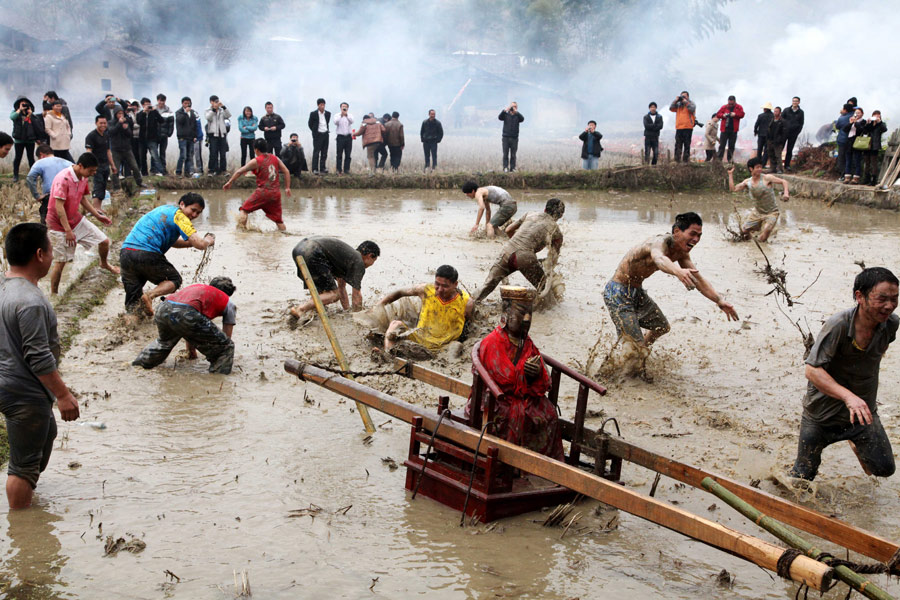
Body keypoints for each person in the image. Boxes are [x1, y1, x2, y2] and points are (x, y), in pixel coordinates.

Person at [789, 267, 899, 481]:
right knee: (801, 479)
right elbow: (811, 370)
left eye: (894, 299)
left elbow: (876, 354)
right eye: (882, 299)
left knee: (884, 468)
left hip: (861, 414)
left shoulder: (890, 324)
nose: (889, 306)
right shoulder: (838, 325)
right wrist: (849, 397)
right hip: (822, 416)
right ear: (860, 296)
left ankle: (855, 442)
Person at [0, 223, 81, 509]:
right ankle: (21, 528)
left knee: (47, 433)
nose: (51, 254)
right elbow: (38, 356)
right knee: (22, 466)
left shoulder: (4, 286)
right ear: (39, 254)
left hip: (10, 383)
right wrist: (62, 394)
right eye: (50, 248)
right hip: (23, 391)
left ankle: (28, 495)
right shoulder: (30, 301)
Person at [603, 212, 738, 375]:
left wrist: (719, 300)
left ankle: (638, 354)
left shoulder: (681, 252)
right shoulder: (659, 243)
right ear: (676, 232)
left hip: (636, 291)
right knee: (635, 350)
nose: (696, 240)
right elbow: (659, 259)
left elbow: (698, 278)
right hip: (618, 292)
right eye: (692, 234)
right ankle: (614, 375)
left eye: (699, 235)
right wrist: (677, 271)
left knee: (661, 326)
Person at [465, 286, 564, 460]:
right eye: (521, 313)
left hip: (523, 397)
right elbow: (503, 377)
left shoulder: (527, 343)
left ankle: (541, 465)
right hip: (498, 399)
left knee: (549, 413)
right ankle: (507, 463)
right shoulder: (491, 343)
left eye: (530, 314)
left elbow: (544, 380)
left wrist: (536, 372)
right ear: (506, 313)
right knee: (508, 415)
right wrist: (523, 374)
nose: (526, 319)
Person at [119, 193, 215, 315]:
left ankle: (129, 326)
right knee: (174, 279)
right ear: (182, 204)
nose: (195, 215)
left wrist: (190, 243)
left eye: (199, 213)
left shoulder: (164, 210)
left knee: (133, 306)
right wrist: (208, 240)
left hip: (126, 254)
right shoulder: (179, 216)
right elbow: (200, 244)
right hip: (146, 253)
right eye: (193, 210)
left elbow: (172, 242)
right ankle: (149, 295)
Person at [132, 276, 237, 375]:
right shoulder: (227, 302)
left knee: (164, 343)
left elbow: (189, 329)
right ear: (229, 293)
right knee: (226, 347)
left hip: (164, 308)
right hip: (185, 313)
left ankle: (137, 365)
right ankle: (217, 379)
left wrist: (191, 353)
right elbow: (226, 337)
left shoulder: (198, 288)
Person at [46, 153, 118, 294]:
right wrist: (67, 231)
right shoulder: (63, 179)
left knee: (104, 241)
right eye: (91, 170)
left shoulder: (83, 178)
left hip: (75, 219)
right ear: (80, 166)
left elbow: (82, 199)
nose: (93, 173)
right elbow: (58, 207)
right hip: (58, 224)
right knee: (61, 262)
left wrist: (97, 215)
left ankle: (103, 263)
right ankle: (54, 294)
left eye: (94, 170)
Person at [474, 198, 564, 303]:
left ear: (544, 209)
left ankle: (470, 304)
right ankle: (548, 314)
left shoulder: (530, 214)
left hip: (507, 251)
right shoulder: (556, 231)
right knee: (545, 290)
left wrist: (518, 245)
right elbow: (553, 258)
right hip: (525, 257)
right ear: (561, 215)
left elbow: (508, 230)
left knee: (486, 286)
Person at [377, 264, 474, 354]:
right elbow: (400, 292)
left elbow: (470, 326)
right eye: (437, 284)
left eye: (445, 286)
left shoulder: (466, 302)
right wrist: (378, 306)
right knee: (395, 325)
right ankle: (388, 355)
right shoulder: (425, 290)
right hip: (419, 340)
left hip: (444, 347)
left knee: (457, 346)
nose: (440, 289)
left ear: (455, 284)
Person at [289, 238, 380, 317]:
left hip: (300, 248)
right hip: (314, 251)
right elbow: (356, 296)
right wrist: (359, 318)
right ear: (370, 256)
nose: (372, 264)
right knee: (334, 294)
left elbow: (341, 287)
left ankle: (311, 311)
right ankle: (301, 309)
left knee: (323, 292)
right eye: (374, 261)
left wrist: (347, 312)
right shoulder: (358, 261)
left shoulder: (345, 258)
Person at [223, 138, 292, 232]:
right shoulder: (275, 158)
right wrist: (287, 188)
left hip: (263, 192)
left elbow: (240, 171)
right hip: (275, 193)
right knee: (279, 221)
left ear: (256, 150)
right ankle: (285, 235)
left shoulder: (256, 161)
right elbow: (286, 171)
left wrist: (229, 182)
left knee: (244, 210)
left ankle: (240, 233)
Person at [727, 158, 790, 242]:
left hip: (772, 212)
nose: (760, 169)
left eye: (761, 167)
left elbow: (784, 181)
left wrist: (786, 193)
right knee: (744, 232)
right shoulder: (748, 182)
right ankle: (752, 241)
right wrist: (730, 174)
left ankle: (760, 246)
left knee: (766, 230)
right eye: (757, 167)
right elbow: (733, 189)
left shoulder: (767, 178)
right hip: (757, 212)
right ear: (751, 169)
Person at [26, 144, 71, 225]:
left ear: (41, 155)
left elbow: (30, 178)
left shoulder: (40, 162)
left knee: (47, 226)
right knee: (66, 225)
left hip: (51, 197)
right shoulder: (68, 163)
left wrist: (37, 196)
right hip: (67, 197)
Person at [109, 108, 143, 188]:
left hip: (127, 148)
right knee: (115, 169)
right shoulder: (111, 122)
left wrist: (126, 128)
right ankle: (116, 186)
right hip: (116, 149)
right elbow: (111, 132)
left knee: (135, 167)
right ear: (115, 114)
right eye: (119, 114)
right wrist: (119, 124)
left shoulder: (127, 121)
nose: (120, 115)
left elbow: (129, 135)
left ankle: (139, 182)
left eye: (122, 113)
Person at [10, 97, 39, 182]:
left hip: (30, 140)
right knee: (18, 158)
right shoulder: (15, 112)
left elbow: (35, 123)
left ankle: (33, 175)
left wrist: (30, 115)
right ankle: (15, 175)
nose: (24, 105)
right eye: (22, 103)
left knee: (31, 158)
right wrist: (19, 109)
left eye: (25, 103)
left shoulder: (30, 113)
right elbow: (12, 117)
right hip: (19, 140)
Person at [137, 97, 164, 176]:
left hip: (152, 139)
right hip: (142, 139)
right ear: (142, 105)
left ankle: (159, 171)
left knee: (155, 156)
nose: (148, 106)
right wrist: (144, 112)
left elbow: (161, 120)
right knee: (142, 157)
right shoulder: (140, 114)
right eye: (146, 105)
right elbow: (138, 122)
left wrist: (155, 110)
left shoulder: (154, 113)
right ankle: (144, 173)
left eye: (149, 104)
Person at [205, 95, 230, 176]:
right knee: (213, 153)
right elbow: (208, 118)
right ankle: (212, 170)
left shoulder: (221, 110)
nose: (216, 103)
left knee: (223, 153)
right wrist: (213, 110)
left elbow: (228, 115)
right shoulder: (208, 110)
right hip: (213, 135)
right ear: (211, 102)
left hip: (222, 134)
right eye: (215, 101)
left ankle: (223, 170)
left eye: (217, 101)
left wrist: (223, 107)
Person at [715, 95, 745, 162]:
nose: (730, 104)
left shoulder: (739, 107)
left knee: (731, 146)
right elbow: (718, 114)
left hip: (733, 130)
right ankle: (719, 160)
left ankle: (730, 160)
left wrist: (735, 114)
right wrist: (723, 115)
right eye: (729, 103)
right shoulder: (724, 107)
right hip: (724, 129)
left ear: (734, 102)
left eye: (732, 103)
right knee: (722, 145)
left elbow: (742, 114)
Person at [669, 91, 696, 163]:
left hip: (688, 127)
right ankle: (677, 160)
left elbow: (692, 109)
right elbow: (671, 108)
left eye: (685, 96)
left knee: (687, 144)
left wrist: (685, 102)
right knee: (678, 144)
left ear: (688, 97)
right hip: (679, 127)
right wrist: (676, 100)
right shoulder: (678, 105)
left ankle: (685, 160)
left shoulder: (691, 103)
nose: (683, 97)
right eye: (682, 96)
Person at [842, 107, 868, 185]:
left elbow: (862, 130)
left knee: (857, 160)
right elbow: (845, 129)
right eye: (856, 113)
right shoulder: (851, 120)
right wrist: (850, 123)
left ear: (862, 114)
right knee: (848, 160)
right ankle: (847, 177)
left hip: (857, 142)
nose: (857, 114)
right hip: (849, 142)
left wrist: (856, 122)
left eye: (858, 113)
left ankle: (856, 178)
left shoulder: (863, 121)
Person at [175, 97, 198, 177]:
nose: (187, 105)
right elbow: (180, 121)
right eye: (185, 103)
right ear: (182, 104)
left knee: (189, 156)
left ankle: (187, 173)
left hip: (191, 137)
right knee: (183, 155)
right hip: (182, 137)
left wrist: (195, 135)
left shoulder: (192, 113)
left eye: (188, 103)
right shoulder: (179, 112)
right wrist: (185, 112)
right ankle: (178, 172)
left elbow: (194, 125)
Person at [863, 110, 888, 185]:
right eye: (875, 115)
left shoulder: (881, 124)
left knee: (874, 163)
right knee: (866, 162)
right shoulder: (869, 124)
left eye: (878, 115)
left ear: (880, 116)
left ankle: (873, 180)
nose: (876, 117)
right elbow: (864, 131)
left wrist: (879, 122)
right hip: (867, 144)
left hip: (875, 145)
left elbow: (884, 129)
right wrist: (867, 123)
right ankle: (866, 178)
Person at [499, 101, 524, 172]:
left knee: (513, 154)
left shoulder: (517, 116)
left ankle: (512, 168)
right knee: (505, 153)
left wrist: (516, 112)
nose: (513, 108)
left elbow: (522, 119)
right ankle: (505, 167)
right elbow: (500, 117)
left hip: (514, 138)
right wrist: (505, 110)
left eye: (515, 106)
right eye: (512, 106)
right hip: (506, 137)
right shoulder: (506, 115)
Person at [153, 94, 175, 175]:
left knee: (162, 153)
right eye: (159, 100)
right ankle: (154, 170)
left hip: (164, 135)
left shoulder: (169, 111)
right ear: (157, 100)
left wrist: (169, 133)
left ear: (165, 101)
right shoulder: (153, 109)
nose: (161, 102)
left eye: (162, 100)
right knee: (154, 153)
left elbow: (171, 123)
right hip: (154, 136)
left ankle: (163, 169)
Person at [307, 98, 330, 174]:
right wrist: (315, 132)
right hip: (318, 135)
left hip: (325, 134)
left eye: (323, 105)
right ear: (318, 105)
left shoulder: (328, 114)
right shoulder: (313, 114)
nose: (322, 106)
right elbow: (310, 124)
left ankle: (322, 168)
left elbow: (327, 123)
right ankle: (315, 169)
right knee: (316, 152)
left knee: (324, 152)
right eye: (321, 105)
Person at [781, 97, 804, 172]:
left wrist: (797, 132)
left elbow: (801, 123)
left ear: (799, 102)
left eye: (796, 101)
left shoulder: (801, 112)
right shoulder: (786, 110)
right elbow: (781, 120)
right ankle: (778, 164)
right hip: (784, 132)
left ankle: (787, 165)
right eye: (793, 101)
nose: (794, 102)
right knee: (780, 148)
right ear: (792, 102)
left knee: (789, 149)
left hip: (793, 134)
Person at [833, 104, 853, 178]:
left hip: (843, 139)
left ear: (845, 110)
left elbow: (837, 126)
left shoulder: (842, 118)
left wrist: (841, 115)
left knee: (842, 158)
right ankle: (849, 174)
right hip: (852, 140)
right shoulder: (854, 116)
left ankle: (842, 175)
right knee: (849, 158)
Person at [333, 102, 353, 175]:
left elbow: (352, 121)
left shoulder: (350, 115)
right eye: (343, 106)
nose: (344, 108)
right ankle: (339, 170)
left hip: (348, 137)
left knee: (348, 155)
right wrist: (341, 115)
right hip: (340, 137)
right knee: (339, 154)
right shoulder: (337, 115)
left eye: (345, 107)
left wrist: (346, 115)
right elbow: (335, 122)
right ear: (340, 108)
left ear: (348, 108)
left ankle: (346, 170)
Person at [766, 107, 787, 173]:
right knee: (771, 155)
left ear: (780, 112)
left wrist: (781, 141)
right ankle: (773, 168)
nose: (775, 113)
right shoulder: (771, 120)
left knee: (778, 155)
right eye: (774, 111)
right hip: (770, 140)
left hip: (778, 141)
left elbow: (784, 133)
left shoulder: (783, 121)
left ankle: (780, 169)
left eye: (777, 111)